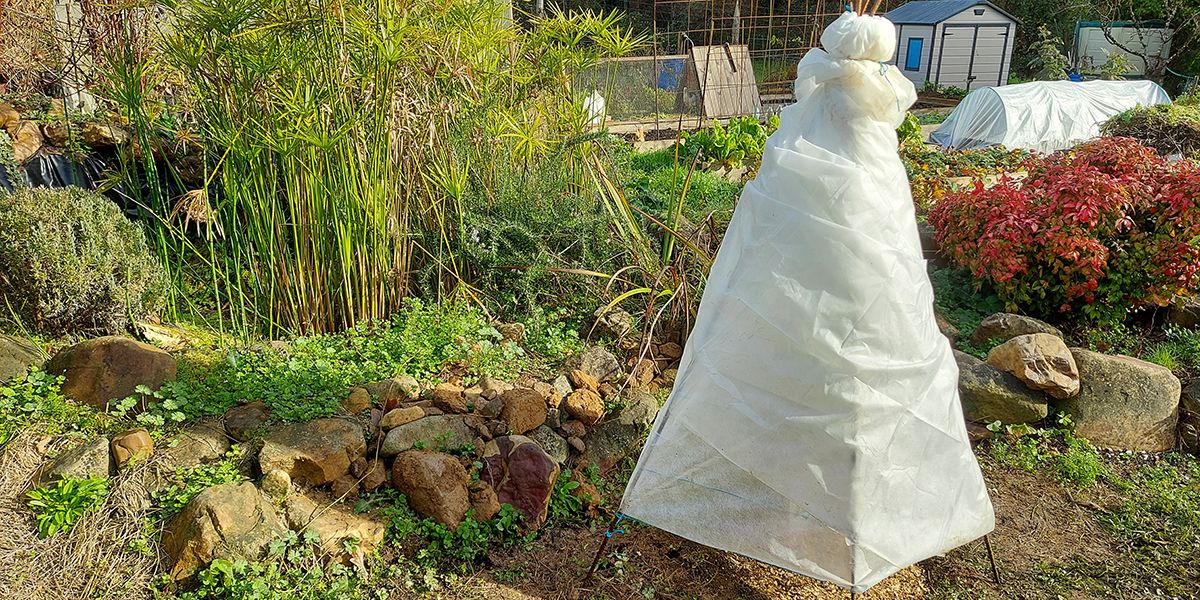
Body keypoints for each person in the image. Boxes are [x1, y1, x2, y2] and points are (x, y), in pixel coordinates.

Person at [619, 6, 995, 593]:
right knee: (852, 350)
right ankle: (806, 494)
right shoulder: (860, 117)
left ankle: (812, 496)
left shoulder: (812, 123)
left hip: (855, 223)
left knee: (826, 347)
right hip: (858, 216)